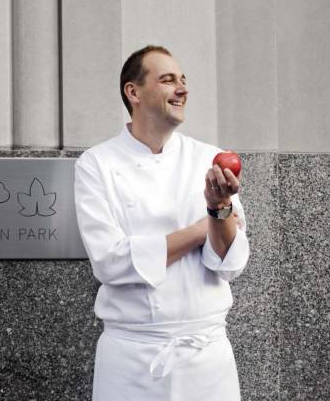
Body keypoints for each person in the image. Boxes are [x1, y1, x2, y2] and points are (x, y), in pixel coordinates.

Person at [74, 45, 250, 400]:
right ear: (133, 92)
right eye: (168, 80)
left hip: (206, 357)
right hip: (132, 359)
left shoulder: (209, 158)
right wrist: (201, 229)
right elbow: (111, 262)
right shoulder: (97, 164)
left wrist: (218, 207)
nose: (182, 89)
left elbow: (230, 264)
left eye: (183, 80)